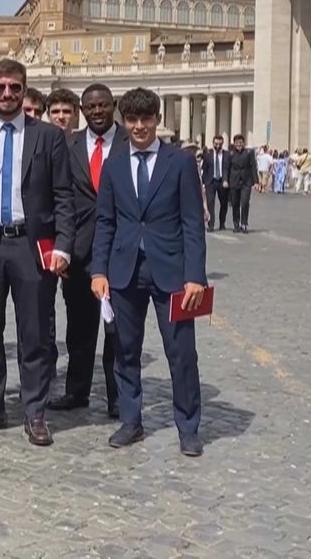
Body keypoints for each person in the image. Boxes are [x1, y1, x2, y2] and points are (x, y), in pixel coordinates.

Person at [0, 60, 73, 446]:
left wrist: (64, 246)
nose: (7, 94)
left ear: (24, 90)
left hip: (32, 244)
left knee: (35, 333)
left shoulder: (48, 137)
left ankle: (35, 412)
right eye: (0, 87)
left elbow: (63, 196)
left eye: (14, 87)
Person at [91, 87, 207, 458]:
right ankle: (131, 420)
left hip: (173, 271)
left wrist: (196, 276)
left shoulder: (181, 163)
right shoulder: (114, 163)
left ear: (158, 119)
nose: (139, 126)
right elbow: (105, 221)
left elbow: (193, 223)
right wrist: (98, 270)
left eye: (146, 119)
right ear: (124, 122)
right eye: (132, 120)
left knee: (182, 352)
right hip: (124, 270)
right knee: (125, 350)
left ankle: (188, 426)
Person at [48, 83, 121, 419]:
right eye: (91, 106)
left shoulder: (129, 143)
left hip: (121, 250)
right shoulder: (67, 144)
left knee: (118, 328)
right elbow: (56, 198)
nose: (97, 111)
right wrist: (60, 249)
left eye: (103, 105)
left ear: (112, 105)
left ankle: (118, 395)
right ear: (82, 108)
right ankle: (77, 390)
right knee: (78, 327)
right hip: (77, 251)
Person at [227, 134, 256, 233]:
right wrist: (225, 180)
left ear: (243, 143)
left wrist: (256, 181)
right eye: (237, 143)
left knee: (245, 202)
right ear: (234, 143)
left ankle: (244, 224)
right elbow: (226, 168)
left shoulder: (249, 152)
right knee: (235, 204)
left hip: (246, 181)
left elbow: (253, 166)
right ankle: (236, 224)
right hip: (234, 181)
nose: (239, 144)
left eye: (240, 142)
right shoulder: (230, 154)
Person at [201, 135, 230, 231]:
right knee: (210, 203)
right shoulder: (207, 155)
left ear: (222, 144)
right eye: (216, 144)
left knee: (224, 204)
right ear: (213, 143)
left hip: (222, 181)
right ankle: (211, 225)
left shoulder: (227, 155)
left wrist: (226, 180)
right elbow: (204, 169)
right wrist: (204, 183)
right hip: (211, 181)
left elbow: (228, 168)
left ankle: (222, 223)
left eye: (220, 144)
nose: (218, 146)